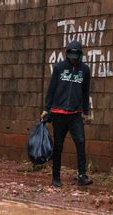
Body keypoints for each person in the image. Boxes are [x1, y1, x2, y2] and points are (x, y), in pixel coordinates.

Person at [41, 40, 93, 188]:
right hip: (58, 113)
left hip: (75, 114)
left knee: (81, 143)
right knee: (58, 146)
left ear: (80, 54)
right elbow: (51, 89)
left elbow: (85, 91)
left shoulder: (85, 70)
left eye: (76, 54)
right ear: (67, 53)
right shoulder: (59, 68)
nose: (73, 56)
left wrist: (86, 111)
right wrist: (46, 108)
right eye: (71, 53)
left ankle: (82, 175)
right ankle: (56, 177)